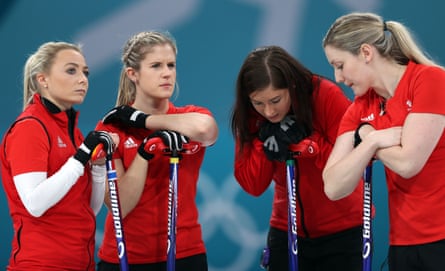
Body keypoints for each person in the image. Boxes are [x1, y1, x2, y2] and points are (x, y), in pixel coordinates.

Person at [322, 12, 445, 271]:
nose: (338, 78)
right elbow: (333, 186)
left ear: (366, 52)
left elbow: (409, 162)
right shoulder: (360, 109)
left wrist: (365, 136)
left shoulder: (429, 79)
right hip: (403, 243)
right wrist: (370, 139)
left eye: (340, 65)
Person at [230, 45, 365, 271]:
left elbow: (352, 163)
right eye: (258, 103)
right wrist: (266, 144)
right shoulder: (250, 114)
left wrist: (309, 147)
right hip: (286, 228)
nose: (269, 111)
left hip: (342, 228)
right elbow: (252, 185)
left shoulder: (325, 95)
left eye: (275, 100)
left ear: (291, 87)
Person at [95, 30, 218, 271]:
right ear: (133, 74)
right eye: (156, 66)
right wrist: (144, 153)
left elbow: (206, 130)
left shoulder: (190, 115)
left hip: (184, 252)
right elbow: (121, 205)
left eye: (171, 65)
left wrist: (143, 121)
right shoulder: (112, 127)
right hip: (125, 255)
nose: (167, 73)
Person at [0, 41, 117, 270]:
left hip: (80, 263)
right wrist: (82, 156)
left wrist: (99, 166)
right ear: (42, 80)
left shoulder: (73, 131)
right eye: (71, 70)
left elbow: (87, 209)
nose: (83, 79)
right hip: (42, 264)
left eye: (85, 72)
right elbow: (35, 203)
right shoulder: (30, 127)